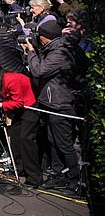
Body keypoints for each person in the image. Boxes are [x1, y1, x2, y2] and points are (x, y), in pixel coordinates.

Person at [23, 20, 88, 192]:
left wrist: (31, 52)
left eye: (40, 38)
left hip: (61, 103)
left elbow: (38, 70)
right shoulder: (56, 48)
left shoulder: (60, 52)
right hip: (52, 101)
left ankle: (73, 180)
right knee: (53, 141)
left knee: (64, 143)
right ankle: (59, 174)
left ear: (46, 38)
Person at [0, 62, 42, 186]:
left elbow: (18, 102)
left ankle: (34, 177)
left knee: (26, 140)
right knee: (15, 138)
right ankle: (19, 169)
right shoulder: (0, 81)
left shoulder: (11, 80)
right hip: (19, 109)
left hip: (30, 107)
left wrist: (0, 105)